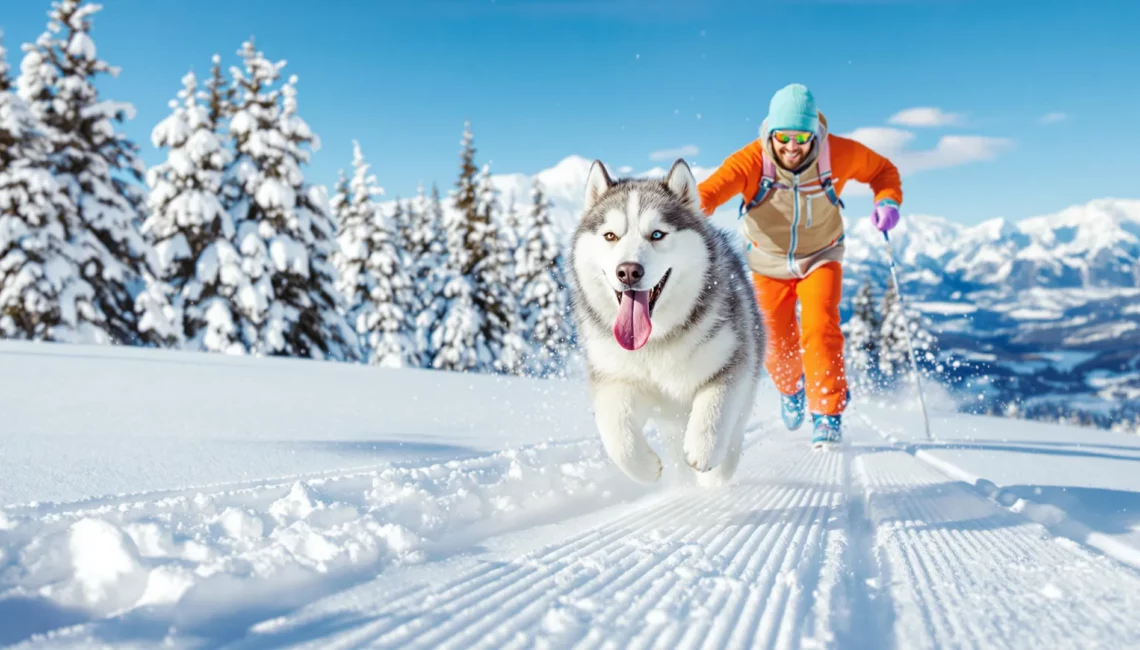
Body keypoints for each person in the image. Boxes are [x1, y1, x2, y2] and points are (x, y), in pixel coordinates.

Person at [697, 83, 902, 446]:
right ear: (770, 133)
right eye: (784, 137)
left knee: (820, 327)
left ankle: (827, 411)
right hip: (767, 262)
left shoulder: (839, 153)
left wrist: (887, 201)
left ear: (815, 133)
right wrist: (683, 216)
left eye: (803, 137)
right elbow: (708, 194)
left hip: (821, 255)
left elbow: (883, 171)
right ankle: (791, 389)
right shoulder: (750, 161)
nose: (792, 146)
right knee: (775, 342)